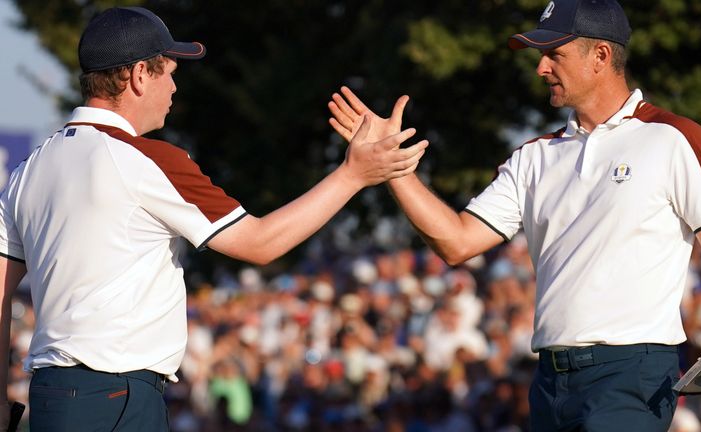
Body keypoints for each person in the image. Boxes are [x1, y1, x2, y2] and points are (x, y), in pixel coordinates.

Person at [327, 0, 701, 430]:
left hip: (632, 372)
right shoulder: (533, 157)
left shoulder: (673, 137)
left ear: (601, 57)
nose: (541, 68)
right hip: (550, 379)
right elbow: (456, 243)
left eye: (555, 54)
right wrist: (393, 169)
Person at [0, 6, 428, 432]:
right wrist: (353, 175)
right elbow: (260, 244)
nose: (173, 87)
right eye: (167, 71)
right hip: (118, 396)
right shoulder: (148, 159)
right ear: (137, 76)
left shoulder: (29, 169)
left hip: (53, 393)